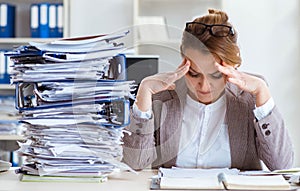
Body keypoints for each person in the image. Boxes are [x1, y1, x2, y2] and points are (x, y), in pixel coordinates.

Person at [122, 9, 294, 171]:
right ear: (183, 61)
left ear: (232, 66)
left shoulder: (251, 96)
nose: (204, 87)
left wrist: (263, 93)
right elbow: (135, 163)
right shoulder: (163, 94)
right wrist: (143, 92)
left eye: (216, 75)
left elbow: (282, 165)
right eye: (194, 74)